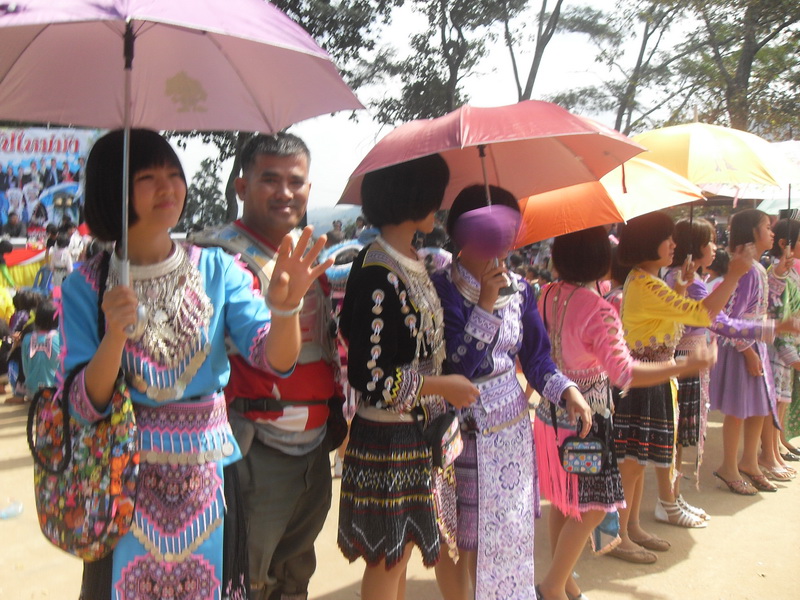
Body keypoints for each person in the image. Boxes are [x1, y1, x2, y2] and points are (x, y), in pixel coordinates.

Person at [62, 128, 330, 600]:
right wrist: (114, 337)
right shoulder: (86, 284)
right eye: (147, 177)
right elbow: (85, 404)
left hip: (209, 478)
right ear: (113, 190)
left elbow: (273, 359)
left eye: (173, 173)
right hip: (123, 481)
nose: (168, 187)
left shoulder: (216, 269)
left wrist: (285, 310)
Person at [191, 132, 343, 600]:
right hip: (252, 448)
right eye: (269, 179)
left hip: (314, 448)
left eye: (295, 182)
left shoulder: (306, 253)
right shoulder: (215, 258)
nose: (284, 192)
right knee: (246, 579)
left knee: (294, 577)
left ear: (309, 189)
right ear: (242, 186)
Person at [535, 226, 717, 600]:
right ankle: (554, 585)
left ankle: (564, 582)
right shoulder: (597, 307)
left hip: (551, 414)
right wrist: (682, 366)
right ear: (600, 259)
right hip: (586, 422)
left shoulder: (548, 294)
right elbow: (624, 372)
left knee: (567, 501)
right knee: (594, 506)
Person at [430, 185, 592, 600]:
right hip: (461, 428)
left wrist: (566, 390)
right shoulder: (441, 288)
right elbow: (457, 366)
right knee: (456, 534)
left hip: (511, 430)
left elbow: (536, 358)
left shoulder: (521, 289)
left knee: (506, 528)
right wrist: (485, 304)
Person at [337, 154, 480, 600]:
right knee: (388, 557)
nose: (439, 206)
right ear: (413, 198)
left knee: (399, 553)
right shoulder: (378, 270)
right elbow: (370, 376)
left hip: (417, 433)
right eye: (434, 196)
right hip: (390, 436)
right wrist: (440, 386)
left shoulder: (408, 260)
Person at [611, 212, 755, 563]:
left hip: (653, 378)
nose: (674, 244)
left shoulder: (647, 280)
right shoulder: (645, 284)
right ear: (648, 243)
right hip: (643, 381)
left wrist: (679, 287)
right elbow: (702, 314)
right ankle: (619, 536)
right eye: (667, 238)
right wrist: (733, 276)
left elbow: (666, 317)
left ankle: (631, 528)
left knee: (639, 461)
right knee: (632, 464)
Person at [709, 209, 800, 496]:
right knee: (738, 411)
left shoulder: (758, 268)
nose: (772, 232)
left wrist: (781, 272)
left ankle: (750, 461)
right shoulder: (747, 270)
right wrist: (748, 352)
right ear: (752, 232)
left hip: (755, 343)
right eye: (766, 227)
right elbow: (734, 316)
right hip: (743, 347)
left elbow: (766, 301)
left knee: (759, 407)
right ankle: (729, 466)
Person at [763, 219, 800, 479]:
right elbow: (777, 312)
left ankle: (776, 447)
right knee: (774, 402)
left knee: (783, 399)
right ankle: (769, 452)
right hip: (779, 347)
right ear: (785, 243)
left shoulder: (791, 271)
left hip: (789, 345)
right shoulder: (775, 272)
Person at [21, 299, 59, 401]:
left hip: (32, 390)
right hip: (55, 390)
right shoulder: (60, 338)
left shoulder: (27, 339)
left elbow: (25, 367)